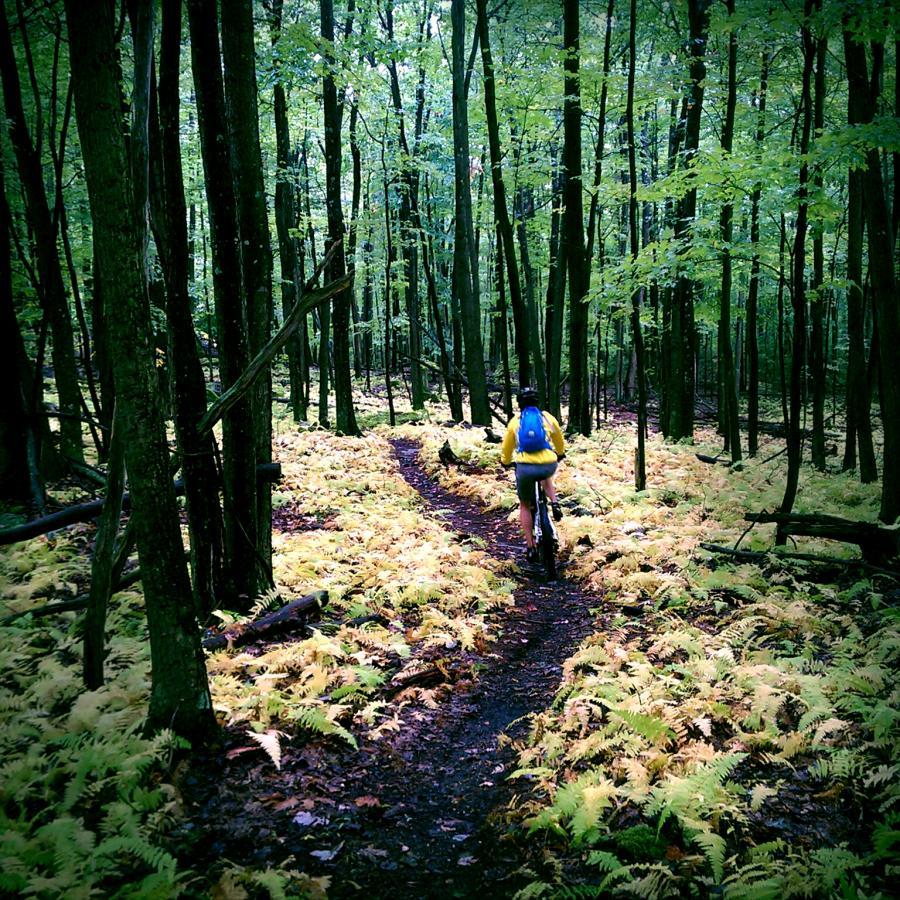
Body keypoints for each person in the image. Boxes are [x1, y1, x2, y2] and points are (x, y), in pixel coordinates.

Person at [500, 386, 565, 562]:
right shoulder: (547, 417)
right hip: (548, 464)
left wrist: (505, 461)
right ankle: (555, 503)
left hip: (525, 468)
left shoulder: (516, 421)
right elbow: (558, 438)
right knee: (545, 477)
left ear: (519, 404)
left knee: (524, 504)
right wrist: (560, 453)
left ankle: (530, 547)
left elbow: (507, 448)